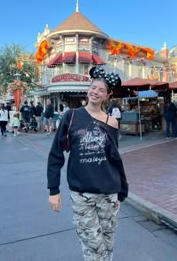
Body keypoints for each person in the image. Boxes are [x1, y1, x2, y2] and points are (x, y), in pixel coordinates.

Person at [47, 66, 128, 260]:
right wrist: (54, 190)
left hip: (109, 191)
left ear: (107, 95)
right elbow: (56, 154)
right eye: (93, 87)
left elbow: (114, 158)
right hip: (82, 193)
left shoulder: (112, 122)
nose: (96, 92)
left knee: (108, 242)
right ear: (88, 89)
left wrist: (122, 191)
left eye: (101, 90)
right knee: (93, 245)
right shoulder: (72, 116)